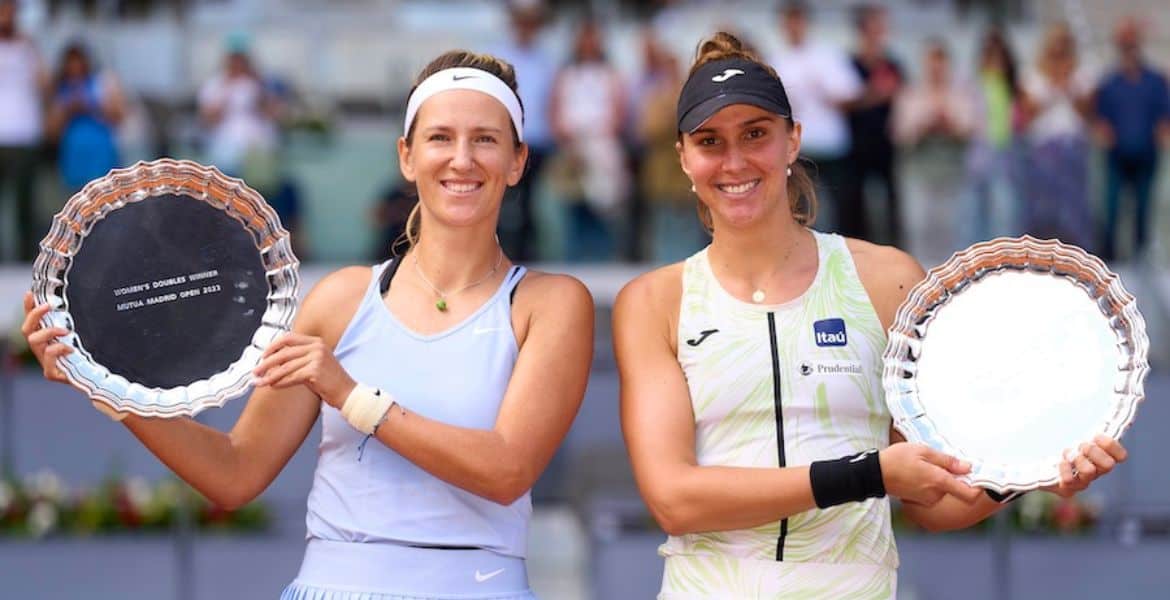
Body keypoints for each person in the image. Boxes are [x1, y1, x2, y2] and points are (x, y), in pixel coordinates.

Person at [23, 50, 593, 599]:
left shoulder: (551, 304)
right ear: (406, 155)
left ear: (518, 161)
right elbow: (236, 471)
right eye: (440, 137)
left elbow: (506, 469)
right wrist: (105, 385)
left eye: (485, 139)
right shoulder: (341, 299)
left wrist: (351, 396)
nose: (462, 159)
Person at [614, 32, 1127, 598]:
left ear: (793, 141)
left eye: (756, 134)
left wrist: (1027, 475)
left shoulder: (886, 280)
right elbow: (673, 499)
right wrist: (870, 474)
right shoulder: (654, 302)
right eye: (711, 141)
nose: (734, 161)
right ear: (684, 157)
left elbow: (932, 501)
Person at [769, 0, 862, 233]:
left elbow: (852, 95)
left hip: (830, 144)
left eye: (797, 20)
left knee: (833, 205)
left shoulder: (827, 55)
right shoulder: (776, 59)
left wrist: (824, 94)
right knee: (799, 204)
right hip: (797, 146)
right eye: (788, 21)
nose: (792, 26)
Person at [1093, 16, 1170, 262]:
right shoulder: (1109, 82)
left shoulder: (1155, 81)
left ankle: (1140, 257)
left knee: (1143, 209)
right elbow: (1100, 117)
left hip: (1146, 154)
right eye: (1123, 45)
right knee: (1113, 208)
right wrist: (1103, 132)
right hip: (1117, 156)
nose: (1128, 50)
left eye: (1131, 44)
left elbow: (1164, 115)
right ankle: (1110, 258)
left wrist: (1163, 131)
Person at [892, 39, 975, 261]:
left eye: (941, 62)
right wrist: (924, 124)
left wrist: (949, 123)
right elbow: (899, 134)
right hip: (919, 171)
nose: (936, 67)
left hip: (952, 172)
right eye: (932, 62)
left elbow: (970, 130)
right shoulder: (911, 93)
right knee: (919, 226)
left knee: (952, 228)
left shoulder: (960, 93)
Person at [1018, 22, 1096, 250]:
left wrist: (1069, 86)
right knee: (1041, 207)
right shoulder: (1032, 75)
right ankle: (1037, 254)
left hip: (1072, 146)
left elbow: (1088, 110)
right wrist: (1052, 87)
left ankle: (1076, 254)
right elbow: (1028, 113)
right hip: (1043, 147)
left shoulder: (1082, 73)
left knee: (1073, 206)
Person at [842, 4, 905, 247]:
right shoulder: (849, 63)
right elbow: (845, 99)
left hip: (885, 141)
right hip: (856, 142)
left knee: (890, 201)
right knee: (854, 202)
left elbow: (902, 97)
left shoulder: (892, 64)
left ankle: (894, 248)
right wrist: (874, 95)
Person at [962, 28, 1024, 247]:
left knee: (1005, 209)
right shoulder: (976, 84)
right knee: (975, 210)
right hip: (981, 149)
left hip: (1005, 150)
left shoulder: (1012, 86)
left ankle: (1005, 255)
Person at [0, 0, 47, 261]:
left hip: (23, 133)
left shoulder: (27, 47)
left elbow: (44, 85)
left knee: (24, 203)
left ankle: (24, 258)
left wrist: (30, 46)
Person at [45, 42, 126, 194]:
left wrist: (92, 106)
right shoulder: (61, 89)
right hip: (73, 159)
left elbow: (119, 116)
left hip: (102, 157)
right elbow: (51, 131)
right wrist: (68, 110)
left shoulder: (101, 83)